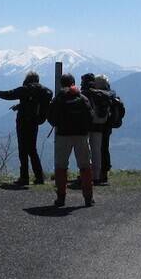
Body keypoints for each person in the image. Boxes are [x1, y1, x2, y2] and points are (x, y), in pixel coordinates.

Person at [0, 72, 52, 185]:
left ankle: (24, 177)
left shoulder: (26, 89)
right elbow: (33, 103)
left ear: (28, 79)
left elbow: (10, 94)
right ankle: (39, 177)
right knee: (32, 150)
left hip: (23, 122)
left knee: (23, 149)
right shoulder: (44, 91)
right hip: (35, 122)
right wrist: (19, 106)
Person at [48, 73, 95, 207]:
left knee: (61, 167)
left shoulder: (59, 99)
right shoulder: (82, 98)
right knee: (85, 166)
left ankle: (61, 198)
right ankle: (88, 198)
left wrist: (58, 125)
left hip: (63, 135)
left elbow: (50, 116)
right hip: (81, 136)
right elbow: (91, 117)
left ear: (62, 84)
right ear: (74, 83)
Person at [80, 73, 108, 186]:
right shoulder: (101, 94)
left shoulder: (84, 93)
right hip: (99, 125)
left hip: (86, 126)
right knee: (97, 152)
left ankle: (86, 176)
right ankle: (96, 177)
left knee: (86, 152)